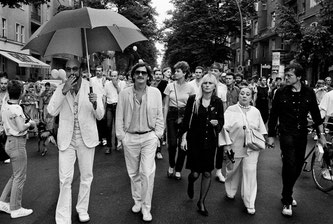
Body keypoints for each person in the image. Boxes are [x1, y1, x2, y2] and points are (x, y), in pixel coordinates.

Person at [47, 58, 105, 223]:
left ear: (80, 70)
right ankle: (63, 216)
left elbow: (100, 115)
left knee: (86, 176)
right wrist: (63, 91)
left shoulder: (91, 87)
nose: (72, 72)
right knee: (65, 178)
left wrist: (95, 104)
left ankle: (82, 209)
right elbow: (51, 111)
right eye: (69, 69)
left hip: (86, 138)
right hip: (67, 139)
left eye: (75, 69)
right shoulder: (61, 88)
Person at [267, 62, 326, 217]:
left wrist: (322, 136)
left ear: (299, 77)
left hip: (301, 134)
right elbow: (273, 115)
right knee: (289, 163)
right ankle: (287, 199)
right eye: (285, 75)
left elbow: (316, 115)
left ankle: (287, 191)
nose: (286, 78)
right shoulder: (280, 92)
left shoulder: (309, 92)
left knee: (298, 165)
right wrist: (271, 136)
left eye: (289, 75)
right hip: (286, 133)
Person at [116, 62, 164, 222]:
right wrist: (121, 137)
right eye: (137, 73)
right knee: (133, 173)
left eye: (144, 73)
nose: (140, 75)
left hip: (149, 136)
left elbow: (159, 115)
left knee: (147, 172)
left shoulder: (156, 93)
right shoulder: (124, 93)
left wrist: (157, 135)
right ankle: (137, 201)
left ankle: (146, 207)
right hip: (130, 137)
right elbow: (119, 116)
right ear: (133, 75)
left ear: (148, 76)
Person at [179, 74, 224, 216]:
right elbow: (186, 121)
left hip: (210, 142)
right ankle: (191, 181)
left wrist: (217, 125)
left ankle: (201, 202)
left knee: (206, 172)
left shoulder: (217, 102)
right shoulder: (194, 100)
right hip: (194, 141)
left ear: (214, 86)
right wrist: (184, 139)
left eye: (210, 83)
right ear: (201, 85)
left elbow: (221, 121)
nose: (207, 85)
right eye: (205, 83)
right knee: (195, 173)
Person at [220, 87, 267, 215]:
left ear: (252, 97)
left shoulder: (256, 111)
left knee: (250, 172)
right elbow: (224, 129)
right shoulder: (231, 110)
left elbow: (262, 129)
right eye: (242, 93)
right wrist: (226, 145)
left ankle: (249, 202)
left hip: (252, 148)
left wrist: (264, 140)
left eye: (248, 94)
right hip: (235, 146)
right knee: (232, 170)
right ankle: (230, 190)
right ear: (238, 95)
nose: (244, 96)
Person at [0, 80, 36, 218]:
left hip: (9, 142)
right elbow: (21, 127)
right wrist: (31, 123)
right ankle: (16, 208)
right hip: (17, 143)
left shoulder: (5, 106)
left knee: (15, 175)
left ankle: (3, 201)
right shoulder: (17, 109)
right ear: (21, 93)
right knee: (20, 177)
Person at [164, 61, 196, 180]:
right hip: (172, 115)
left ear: (184, 73)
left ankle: (178, 169)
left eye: (178, 71)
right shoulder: (170, 86)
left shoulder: (191, 88)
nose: (175, 73)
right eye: (175, 71)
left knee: (182, 144)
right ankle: (171, 165)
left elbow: (192, 107)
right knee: (172, 144)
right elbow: (166, 105)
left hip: (185, 116)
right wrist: (163, 121)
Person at [209, 63, 227, 183]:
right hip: (207, 118)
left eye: (216, 70)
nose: (214, 72)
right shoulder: (206, 84)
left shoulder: (223, 87)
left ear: (220, 73)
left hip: (218, 118)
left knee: (220, 146)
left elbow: (224, 103)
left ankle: (219, 171)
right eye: (212, 70)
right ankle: (206, 168)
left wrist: (224, 120)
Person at [104, 70, 126, 154]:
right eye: (112, 76)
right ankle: (108, 146)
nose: (113, 77)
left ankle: (118, 144)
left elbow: (122, 95)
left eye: (115, 76)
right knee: (108, 126)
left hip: (118, 106)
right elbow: (105, 96)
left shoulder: (122, 83)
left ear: (118, 76)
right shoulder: (107, 84)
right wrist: (104, 108)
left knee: (118, 126)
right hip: (109, 106)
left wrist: (116, 86)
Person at [151, 69, 168, 160]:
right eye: (156, 74)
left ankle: (158, 151)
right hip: (151, 109)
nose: (158, 76)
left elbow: (165, 99)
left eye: (159, 74)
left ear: (162, 76)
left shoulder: (165, 84)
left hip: (160, 108)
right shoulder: (150, 84)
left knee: (160, 130)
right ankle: (151, 150)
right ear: (154, 75)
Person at [0, 76, 9, 164]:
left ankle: (6, 155)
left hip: (7, 119)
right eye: (1, 83)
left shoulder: (10, 94)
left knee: (6, 138)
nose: (3, 85)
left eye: (5, 83)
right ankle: (4, 155)